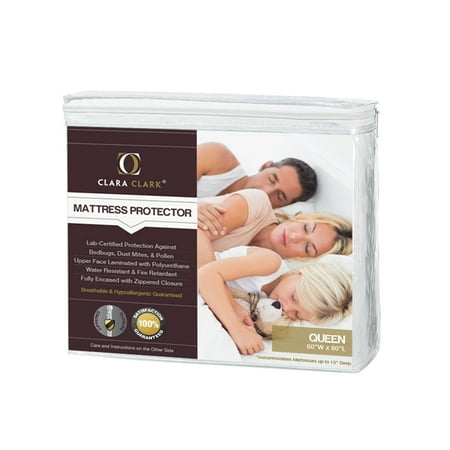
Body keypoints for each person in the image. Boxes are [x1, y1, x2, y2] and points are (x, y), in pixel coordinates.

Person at [198, 245, 352, 355]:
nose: (286, 308)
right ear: (298, 274)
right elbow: (207, 274)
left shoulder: (269, 305)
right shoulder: (271, 263)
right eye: (294, 297)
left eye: (296, 314)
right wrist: (236, 327)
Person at [197, 188, 352, 267]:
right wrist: (214, 281)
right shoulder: (258, 203)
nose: (294, 237)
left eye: (307, 248)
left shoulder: (267, 270)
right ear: (301, 218)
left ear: (306, 260)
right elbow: (197, 233)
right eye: (306, 228)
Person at [197, 142, 317, 208]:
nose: (266, 192)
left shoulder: (249, 227)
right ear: (265, 166)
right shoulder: (217, 156)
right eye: (271, 180)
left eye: (279, 196)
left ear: (282, 206)